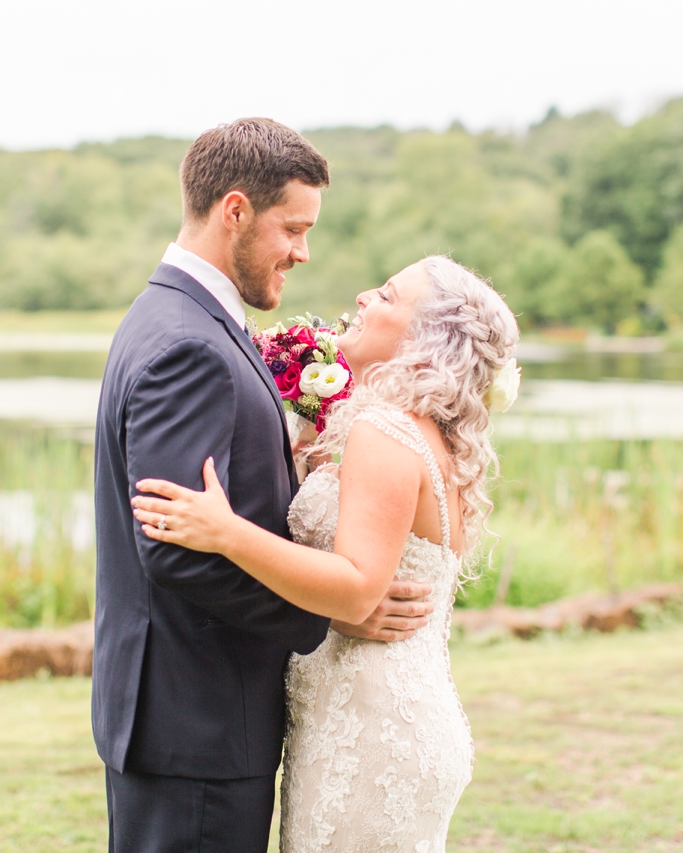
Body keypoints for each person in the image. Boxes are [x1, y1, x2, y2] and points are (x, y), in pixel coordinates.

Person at [92, 118, 436, 853]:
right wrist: (328, 612)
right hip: (197, 724)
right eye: (294, 228)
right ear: (236, 211)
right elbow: (176, 549)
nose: (303, 252)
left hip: (191, 720)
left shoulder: (184, 320)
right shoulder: (188, 344)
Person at [134, 254, 521, 851]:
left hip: (367, 728)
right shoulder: (424, 433)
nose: (365, 296)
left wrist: (225, 531)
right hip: (389, 713)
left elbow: (358, 588)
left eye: (388, 297)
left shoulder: (385, 433)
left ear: (425, 340)